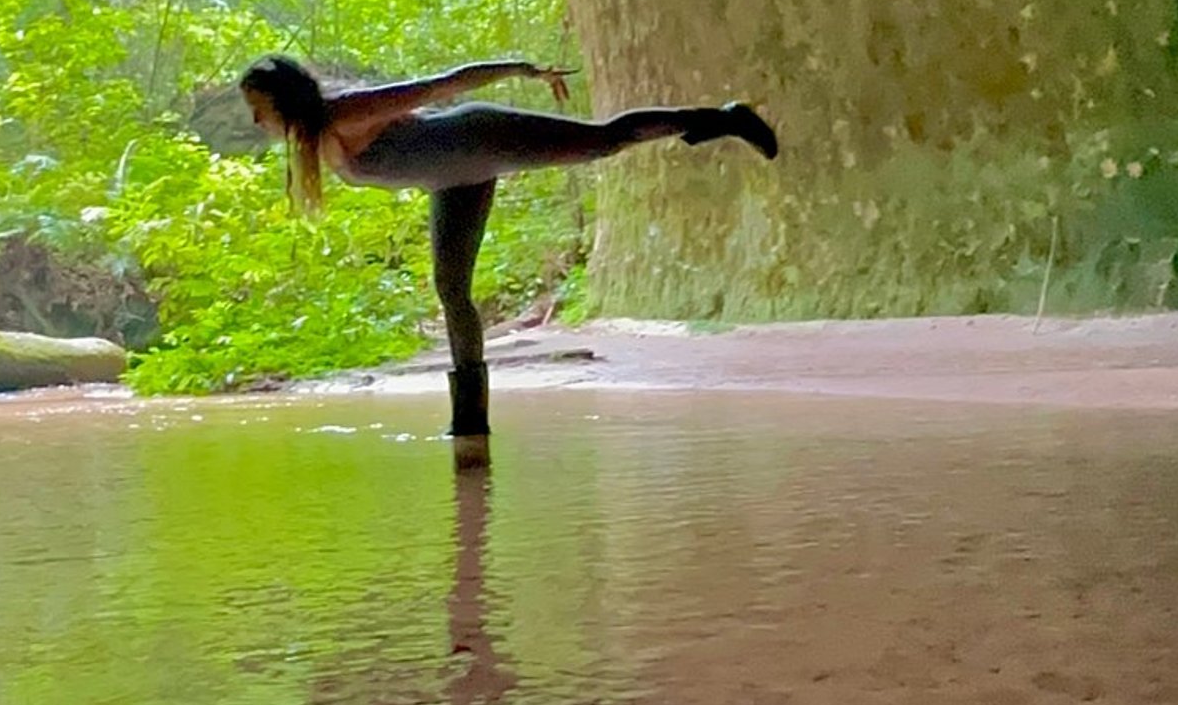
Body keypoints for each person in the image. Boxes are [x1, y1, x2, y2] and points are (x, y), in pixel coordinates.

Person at [238, 50, 777, 456]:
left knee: (604, 140)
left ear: (282, 101)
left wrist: (522, 70)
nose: (256, 121)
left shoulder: (344, 114)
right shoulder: (316, 139)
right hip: (455, 181)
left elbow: (438, 85)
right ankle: (470, 420)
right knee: (451, 289)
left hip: (482, 137)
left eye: (258, 108)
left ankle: (725, 118)